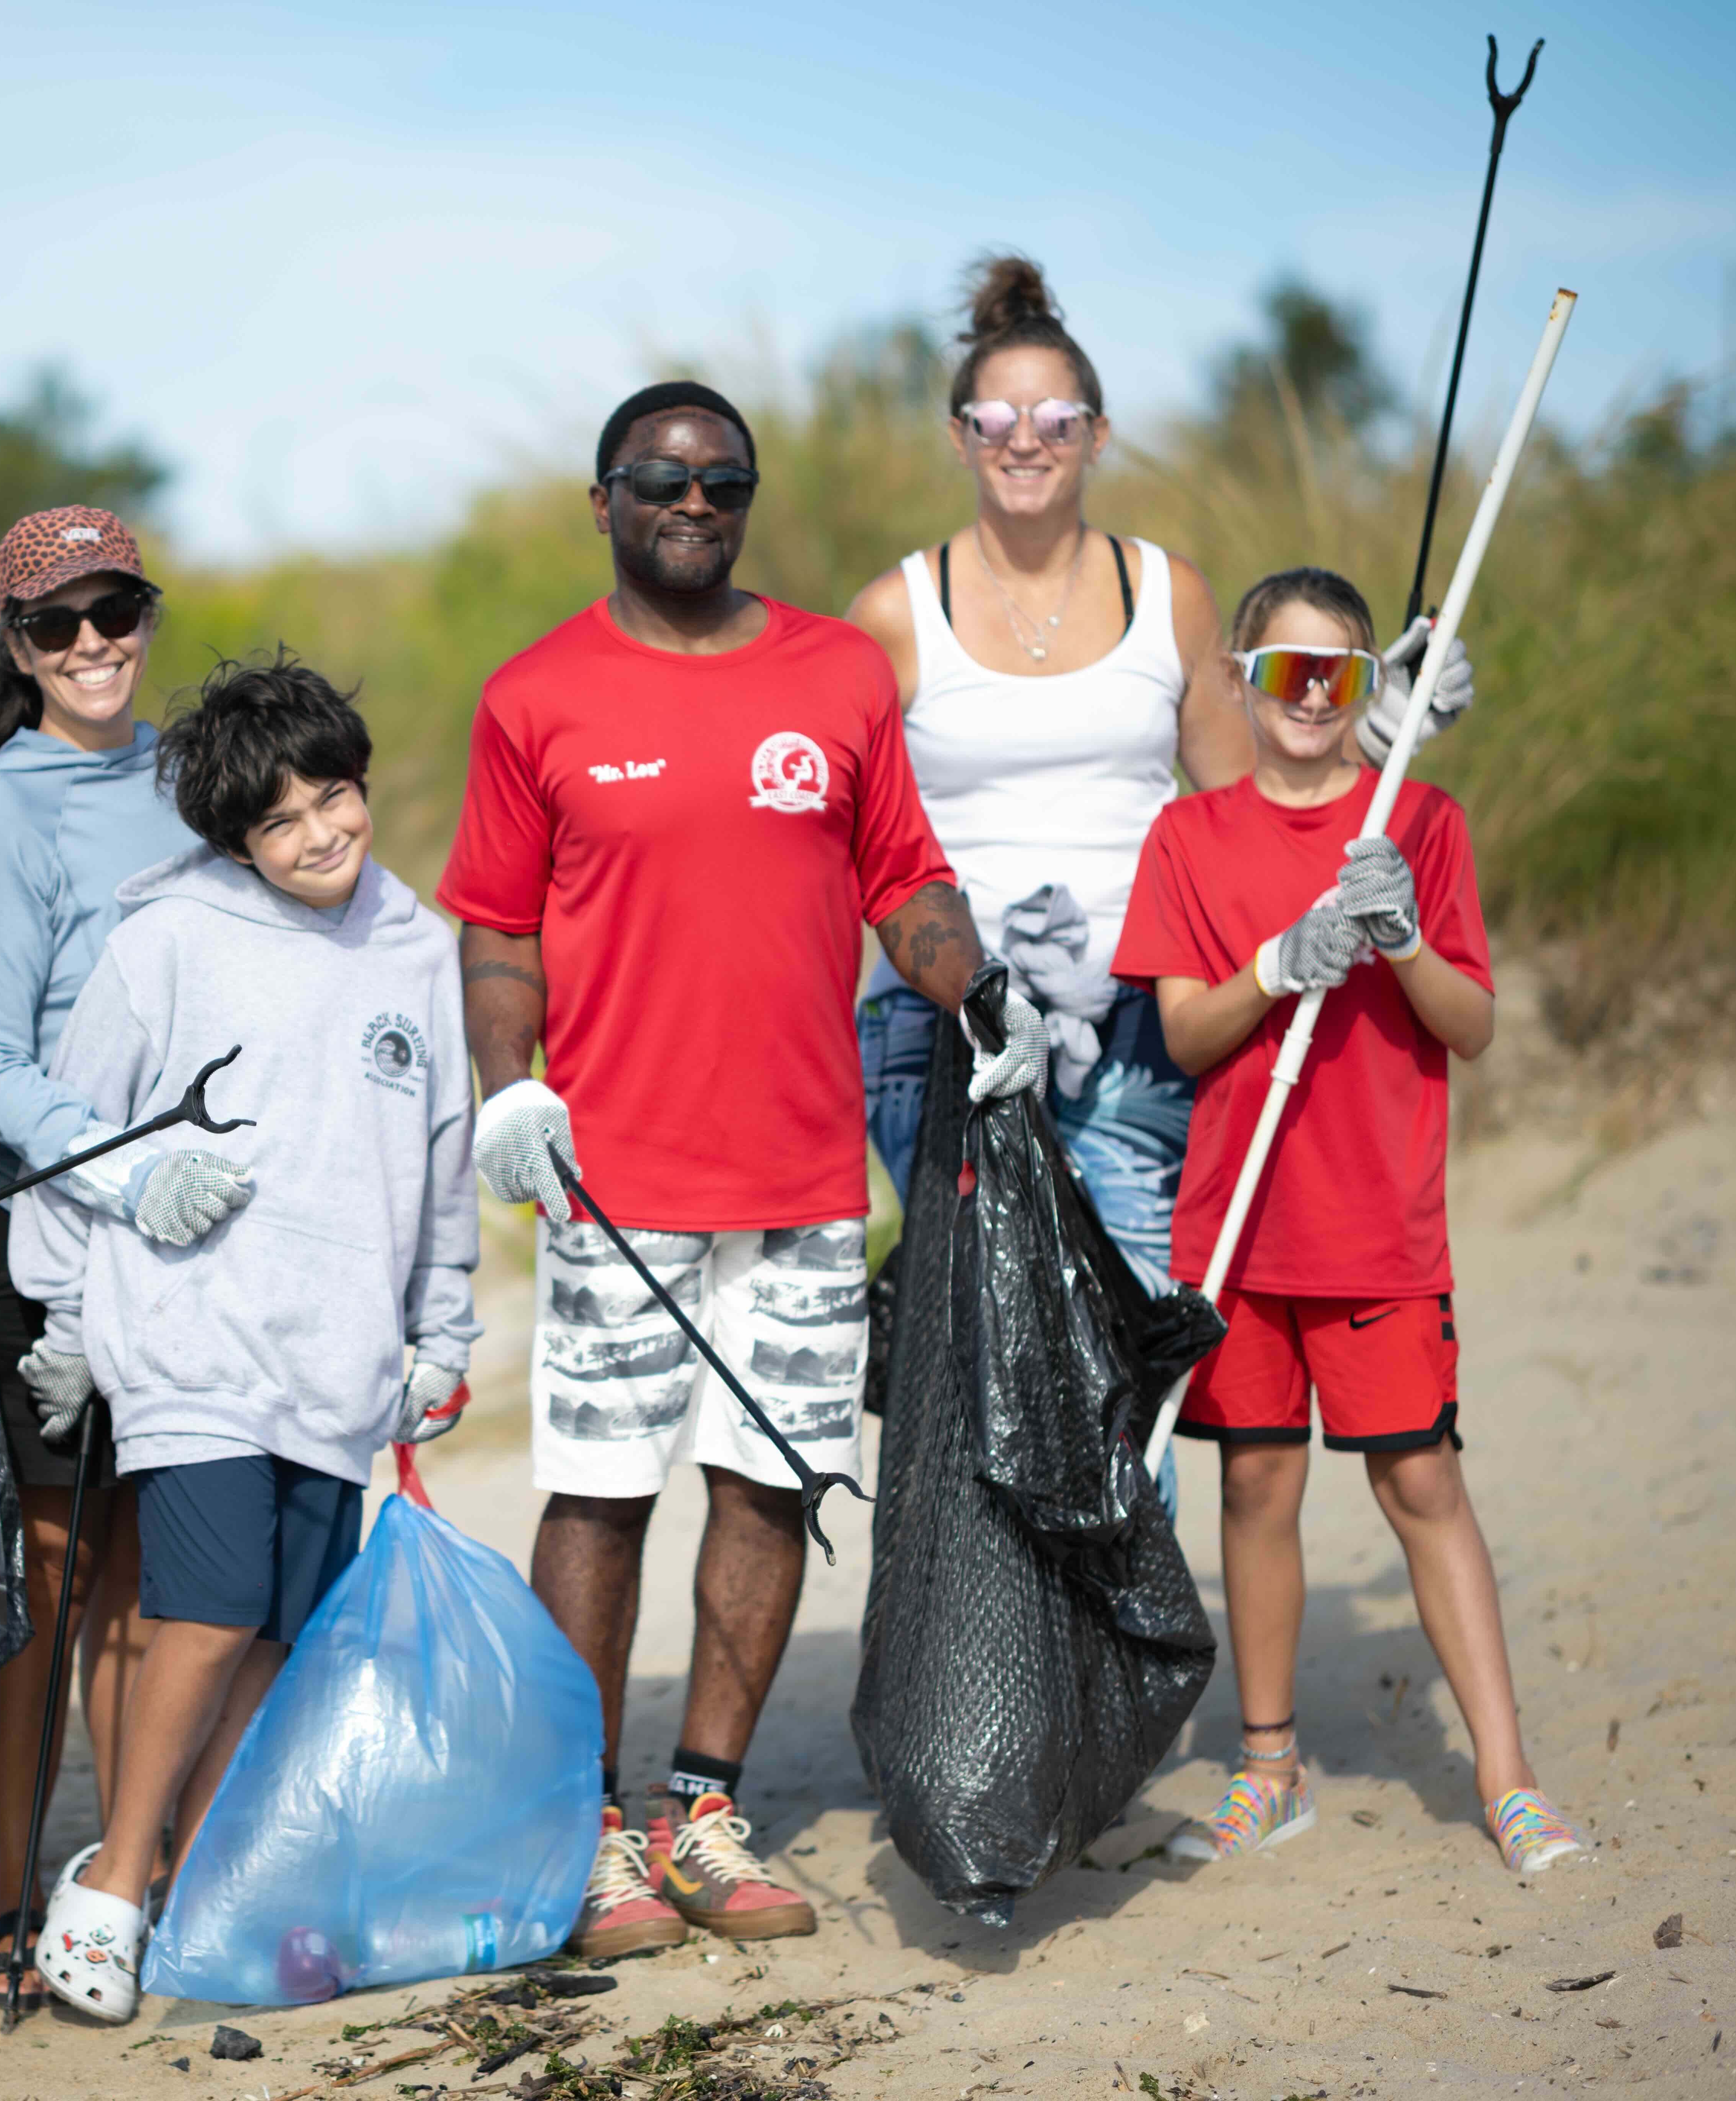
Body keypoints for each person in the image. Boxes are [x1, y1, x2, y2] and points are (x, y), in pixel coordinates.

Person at [437, 381, 1047, 1960]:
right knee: (597, 1489)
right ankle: (581, 1827)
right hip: (607, 1181)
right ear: (603, 499)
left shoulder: (835, 672)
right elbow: (496, 918)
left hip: (800, 1169)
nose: (693, 502)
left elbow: (900, 871)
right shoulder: (533, 696)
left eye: (723, 481)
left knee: (767, 1475)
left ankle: (698, 1807)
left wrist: (974, 986)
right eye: (659, 478)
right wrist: (508, 1086)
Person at [843, 254, 1474, 1303]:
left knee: (1127, 1324)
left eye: (1056, 417)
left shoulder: (1167, 593)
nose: (1025, 439)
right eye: (995, 418)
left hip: (1134, 1015)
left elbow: (1251, 818)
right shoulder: (890, 613)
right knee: (972, 1336)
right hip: (940, 1023)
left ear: (1098, 433)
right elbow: (855, 851)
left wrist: (1376, 732)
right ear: (959, 436)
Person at [13, 652, 479, 2020]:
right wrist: (63, 1312)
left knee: (276, 1636)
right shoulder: (162, 941)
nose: (320, 835)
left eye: (332, 799)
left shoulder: (417, 944)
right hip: (191, 1338)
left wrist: (437, 1326)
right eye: (279, 824)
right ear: (233, 840)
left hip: (339, 1361)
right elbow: (74, 1123)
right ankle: (110, 1885)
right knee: (203, 1618)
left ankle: (209, 1887)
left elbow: (440, 1156)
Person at [1110, 566, 1578, 1877]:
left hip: (1377, 1222)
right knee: (1255, 1483)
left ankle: (1507, 1779)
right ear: (1238, 683)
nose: (1309, 697)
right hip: (1240, 1229)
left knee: (1419, 1480)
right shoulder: (1187, 840)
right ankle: (1269, 1768)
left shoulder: (1417, 818)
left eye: (1339, 674)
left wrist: (1401, 938)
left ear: (1374, 689)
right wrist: (1276, 964)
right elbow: (1185, 1029)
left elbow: (1470, 1024)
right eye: (1282, 672)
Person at [0, 505, 232, 2002]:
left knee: (132, 1571)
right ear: (18, 647)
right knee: (43, 1580)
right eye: (57, 624)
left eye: (115, 613)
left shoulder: (194, 776)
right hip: (48, 1240)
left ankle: (117, 1882)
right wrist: (114, 1161)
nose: (92, 645)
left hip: (190, 1235)